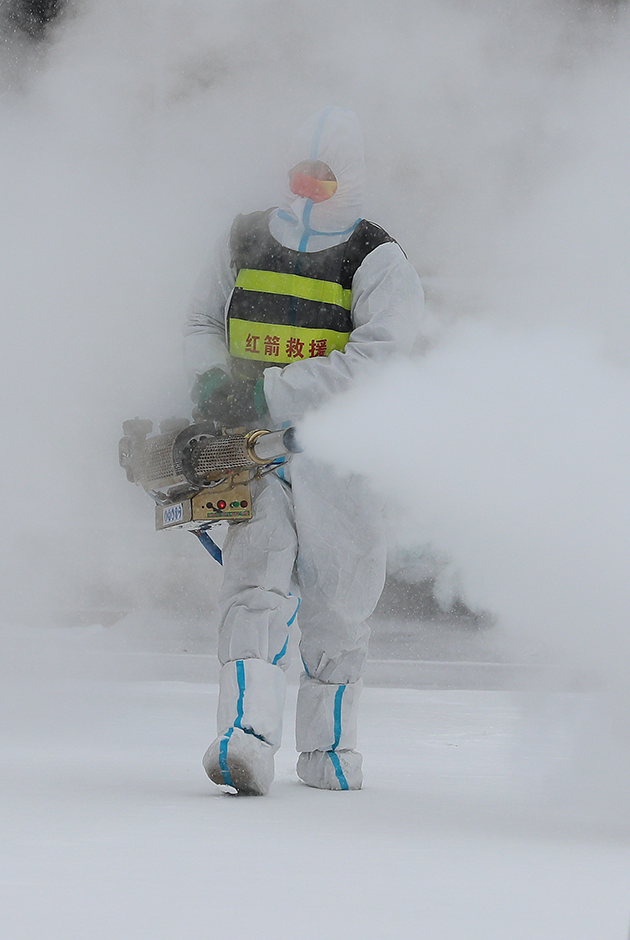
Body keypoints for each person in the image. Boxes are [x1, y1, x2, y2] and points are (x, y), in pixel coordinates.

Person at [183, 107, 424, 794]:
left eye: (325, 176)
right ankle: (243, 739)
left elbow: (378, 360)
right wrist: (208, 379)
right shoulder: (241, 239)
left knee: (339, 611)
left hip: (341, 462)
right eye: (300, 172)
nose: (309, 187)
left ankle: (331, 756)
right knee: (250, 592)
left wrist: (269, 394)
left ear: (350, 179)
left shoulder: (377, 259)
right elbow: (201, 318)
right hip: (251, 450)